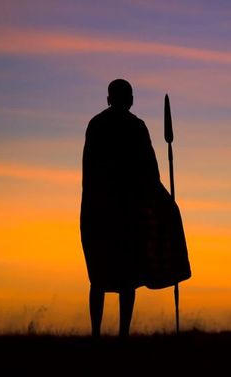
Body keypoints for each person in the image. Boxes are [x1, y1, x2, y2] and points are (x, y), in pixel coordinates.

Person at [80, 79, 161, 339]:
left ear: (108, 99)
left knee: (101, 275)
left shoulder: (97, 124)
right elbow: (150, 170)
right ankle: (121, 334)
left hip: (100, 207)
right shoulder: (136, 127)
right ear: (129, 99)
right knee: (125, 274)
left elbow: (89, 171)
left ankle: (97, 334)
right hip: (124, 208)